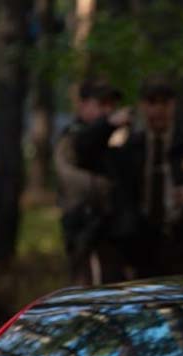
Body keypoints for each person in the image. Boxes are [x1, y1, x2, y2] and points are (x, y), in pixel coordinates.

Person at [104, 76, 183, 278]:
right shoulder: (130, 147)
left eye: (164, 103)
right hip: (142, 246)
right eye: (152, 102)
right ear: (143, 106)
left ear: (173, 105)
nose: (158, 110)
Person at [54, 81, 128, 284]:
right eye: (102, 104)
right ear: (82, 105)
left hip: (113, 233)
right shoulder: (73, 137)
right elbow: (70, 176)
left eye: (111, 105)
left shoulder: (112, 138)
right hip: (84, 228)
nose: (108, 111)